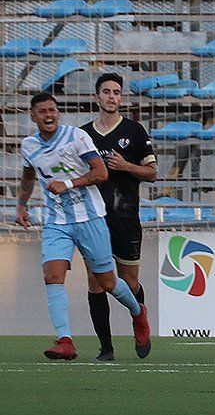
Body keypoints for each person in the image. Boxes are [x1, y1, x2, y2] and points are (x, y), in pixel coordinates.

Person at [16, 93, 151, 361]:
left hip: (89, 218)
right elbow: (28, 176)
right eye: (42, 111)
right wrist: (21, 205)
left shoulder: (75, 137)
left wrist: (66, 184)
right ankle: (65, 340)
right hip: (57, 221)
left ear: (58, 113)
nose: (49, 115)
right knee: (52, 276)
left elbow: (101, 173)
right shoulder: (28, 146)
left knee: (108, 282)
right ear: (33, 116)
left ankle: (138, 312)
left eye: (52, 109)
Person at [81, 73, 157, 361]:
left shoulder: (135, 132)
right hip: (93, 219)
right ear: (97, 96)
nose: (111, 96)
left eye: (116, 92)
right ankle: (106, 349)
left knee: (129, 281)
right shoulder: (83, 134)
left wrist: (126, 166)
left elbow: (152, 173)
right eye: (106, 91)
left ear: (121, 97)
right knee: (95, 279)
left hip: (125, 216)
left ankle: (140, 322)